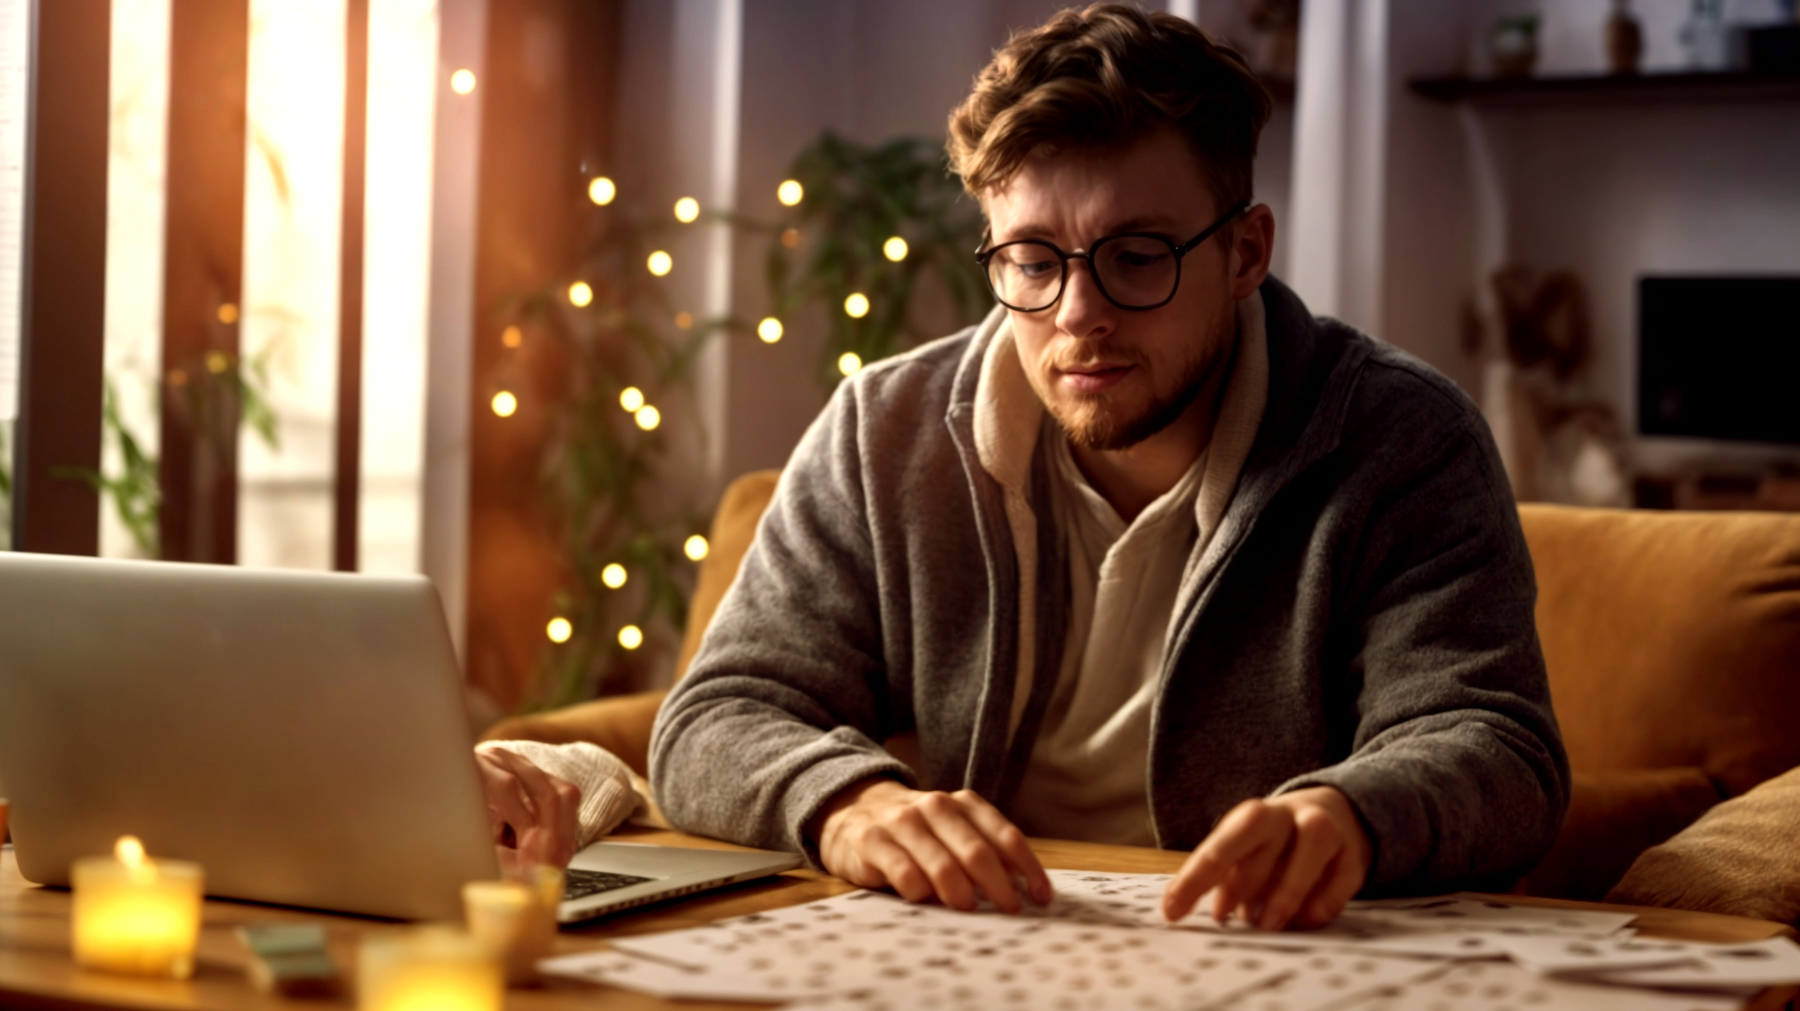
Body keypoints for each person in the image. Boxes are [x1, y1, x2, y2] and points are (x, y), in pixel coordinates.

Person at [521, 3, 1569, 931]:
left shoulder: (1400, 438)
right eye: (1031, 260)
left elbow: (1497, 748)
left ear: (1245, 253)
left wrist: (1347, 813)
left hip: (1253, 958)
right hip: (961, 950)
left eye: (1137, 255)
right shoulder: (880, 429)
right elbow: (715, 717)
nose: (1079, 313)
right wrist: (856, 806)